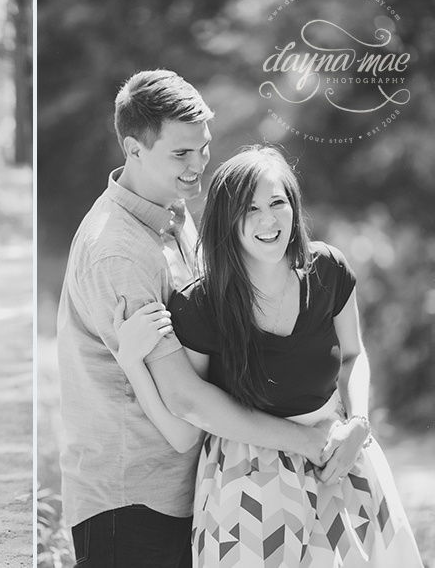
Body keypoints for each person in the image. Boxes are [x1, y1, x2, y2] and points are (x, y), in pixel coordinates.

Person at [56, 70, 336, 568]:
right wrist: (307, 441)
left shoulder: (175, 217)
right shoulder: (117, 253)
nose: (197, 165)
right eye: (180, 153)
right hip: (133, 499)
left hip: (193, 488)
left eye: (202, 148)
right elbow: (186, 401)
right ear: (133, 149)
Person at [115, 145, 423, 566]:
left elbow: (353, 356)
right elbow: (185, 422)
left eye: (278, 202)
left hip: (338, 454)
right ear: (227, 221)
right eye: (249, 209)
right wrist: (131, 362)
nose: (268, 220)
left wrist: (358, 424)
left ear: (294, 207)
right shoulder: (202, 305)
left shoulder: (328, 270)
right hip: (246, 479)